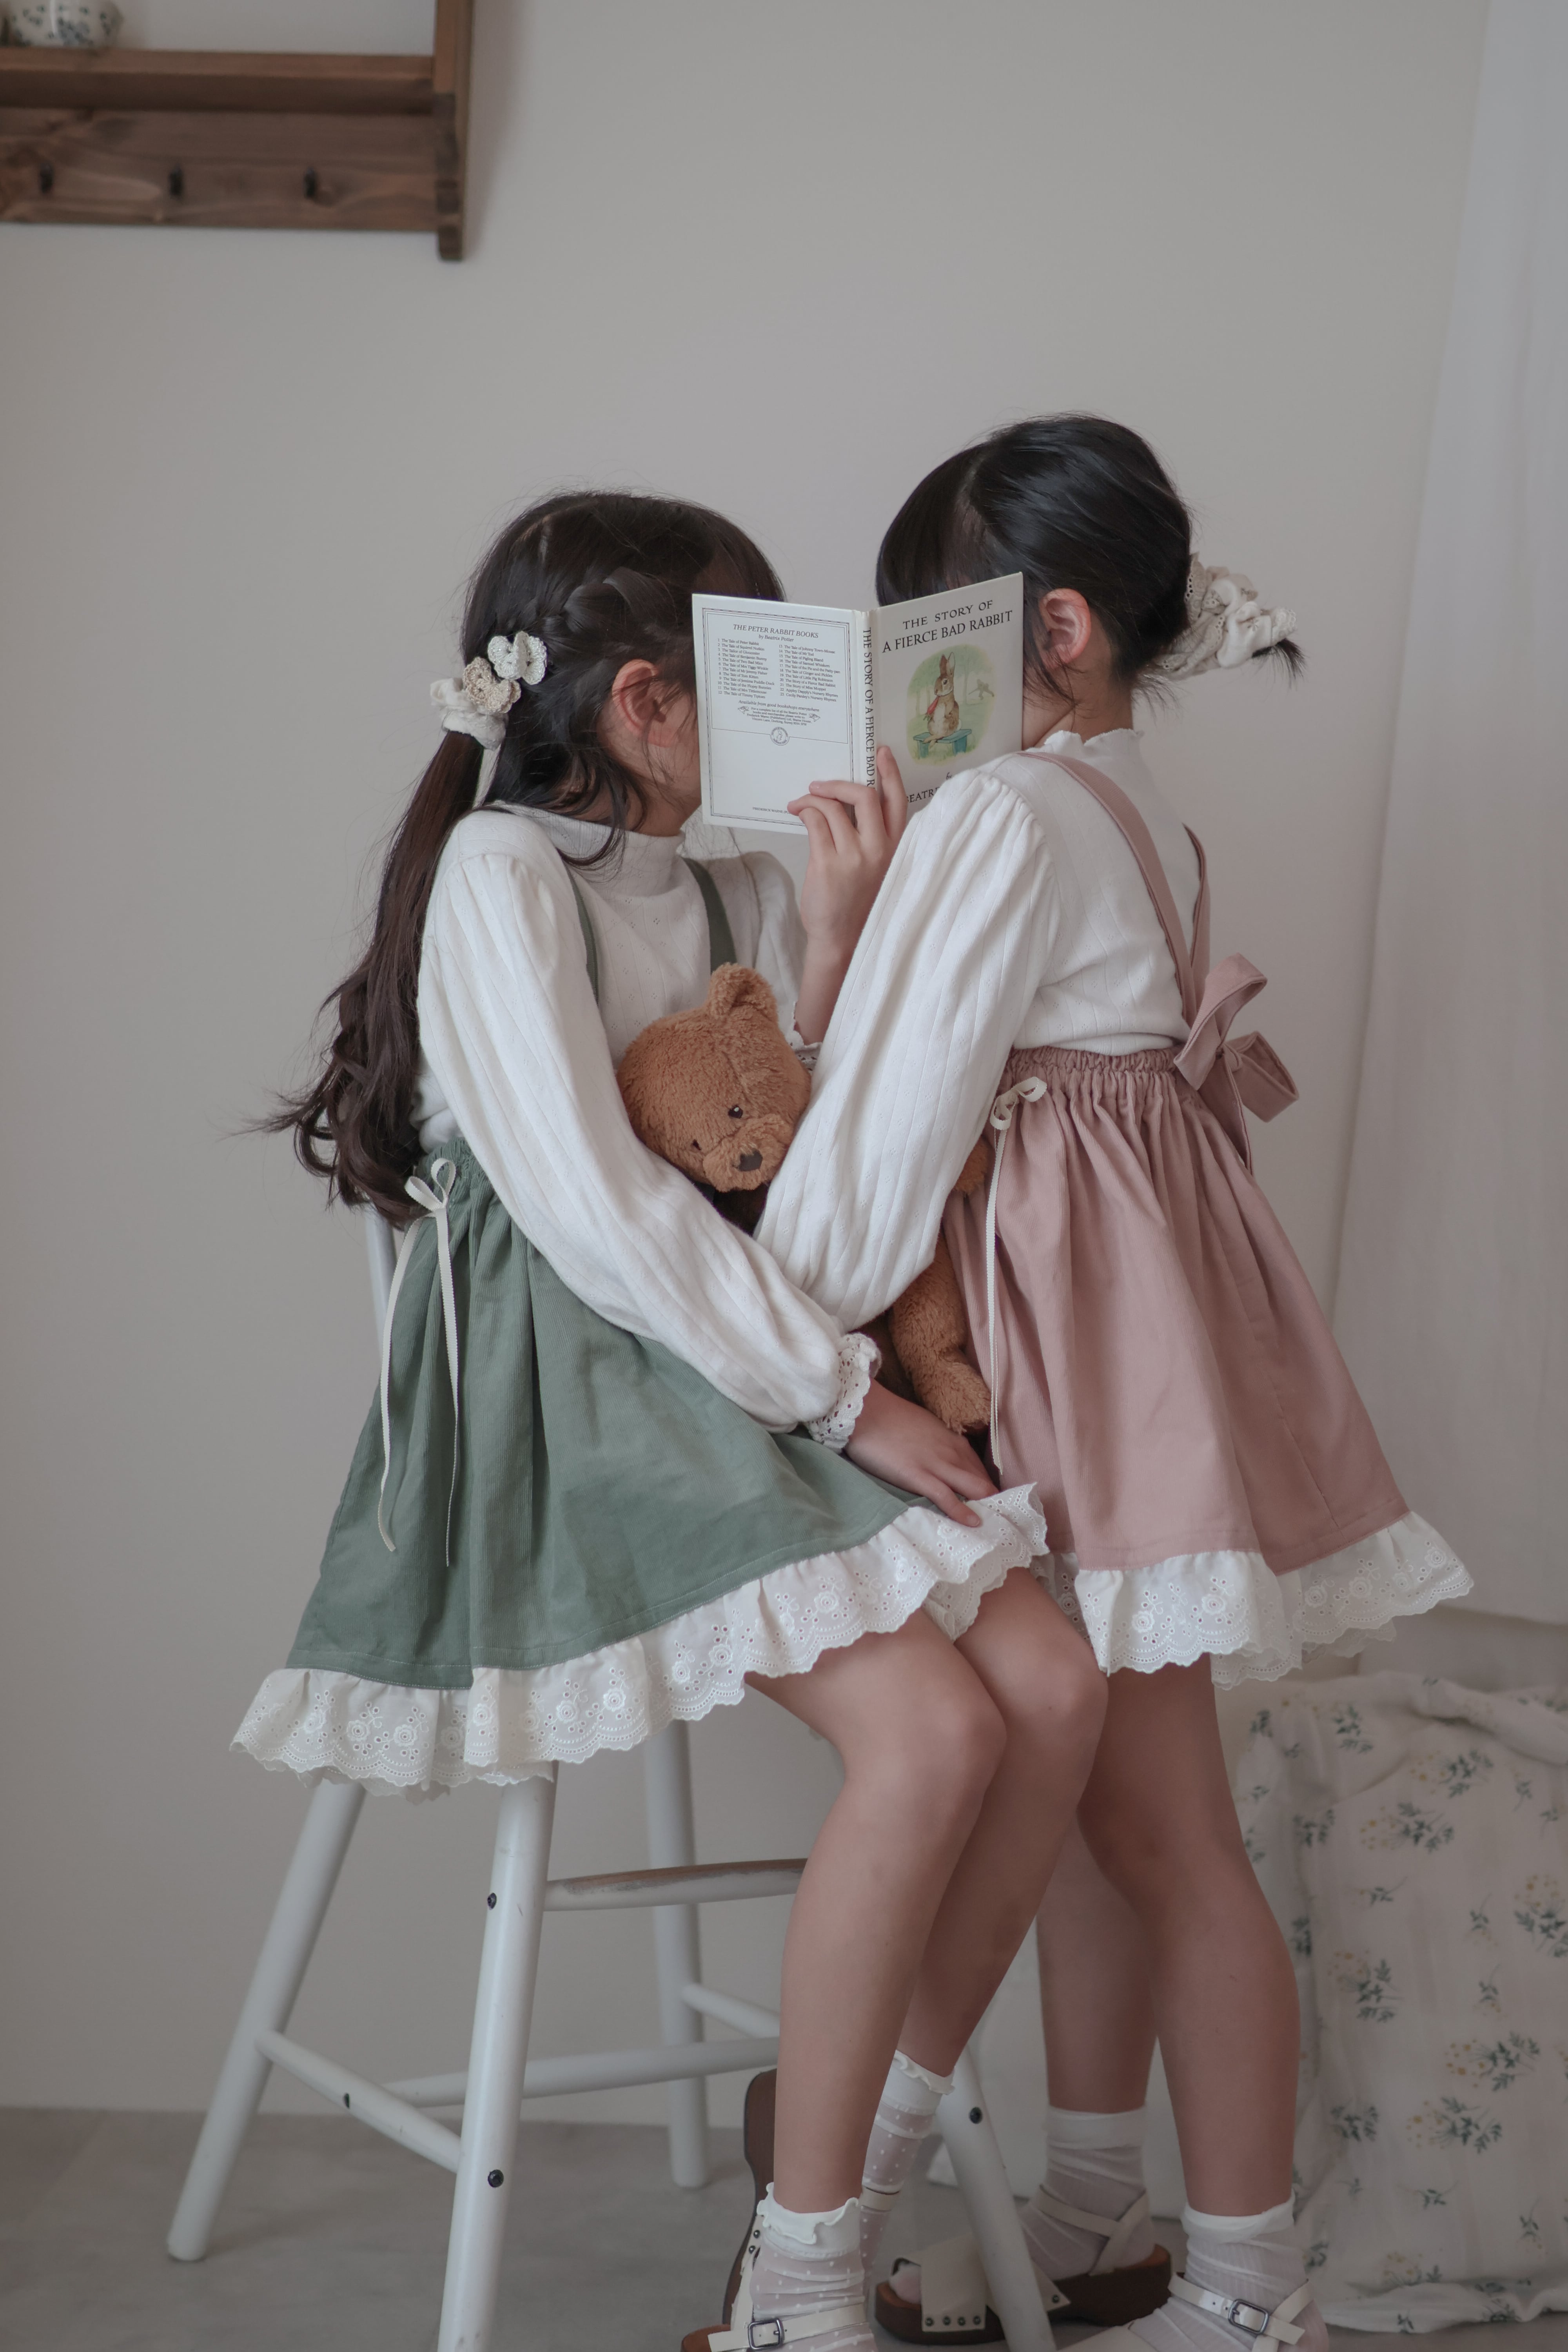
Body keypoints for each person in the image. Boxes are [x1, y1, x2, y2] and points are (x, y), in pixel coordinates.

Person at [239, 490, 1107, 2352]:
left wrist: (839, 933)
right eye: (759, 677)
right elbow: (600, 1216)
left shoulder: (728, 880)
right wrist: (846, 1399)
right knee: (938, 1731)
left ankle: (835, 2167)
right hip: (583, 1381)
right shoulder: (501, 878)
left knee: (1053, 1687)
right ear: (648, 703)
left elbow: (791, 1147)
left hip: (747, 1339)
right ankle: (807, 2274)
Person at [758, 419, 1471, 2352]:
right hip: (1132, 1335)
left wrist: (778, 1328)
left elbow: (888, 1137)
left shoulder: (1001, 816)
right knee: (1109, 1814)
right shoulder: (1144, 813)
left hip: (1072, 1346)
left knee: (1162, 1832)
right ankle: (1096, 2210)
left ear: (1050, 631)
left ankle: (1244, 2294)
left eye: (932, 636)